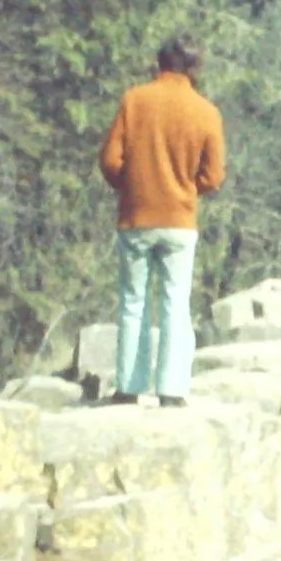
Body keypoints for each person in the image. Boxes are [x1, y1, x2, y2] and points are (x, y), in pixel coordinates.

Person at [97, 35, 226, 407]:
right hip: (180, 220)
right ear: (194, 67)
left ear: (160, 63)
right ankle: (172, 391)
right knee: (175, 302)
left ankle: (128, 386)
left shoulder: (134, 100)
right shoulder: (206, 111)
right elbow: (214, 176)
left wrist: (132, 185)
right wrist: (186, 188)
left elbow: (109, 159)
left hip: (136, 216)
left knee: (133, 301)